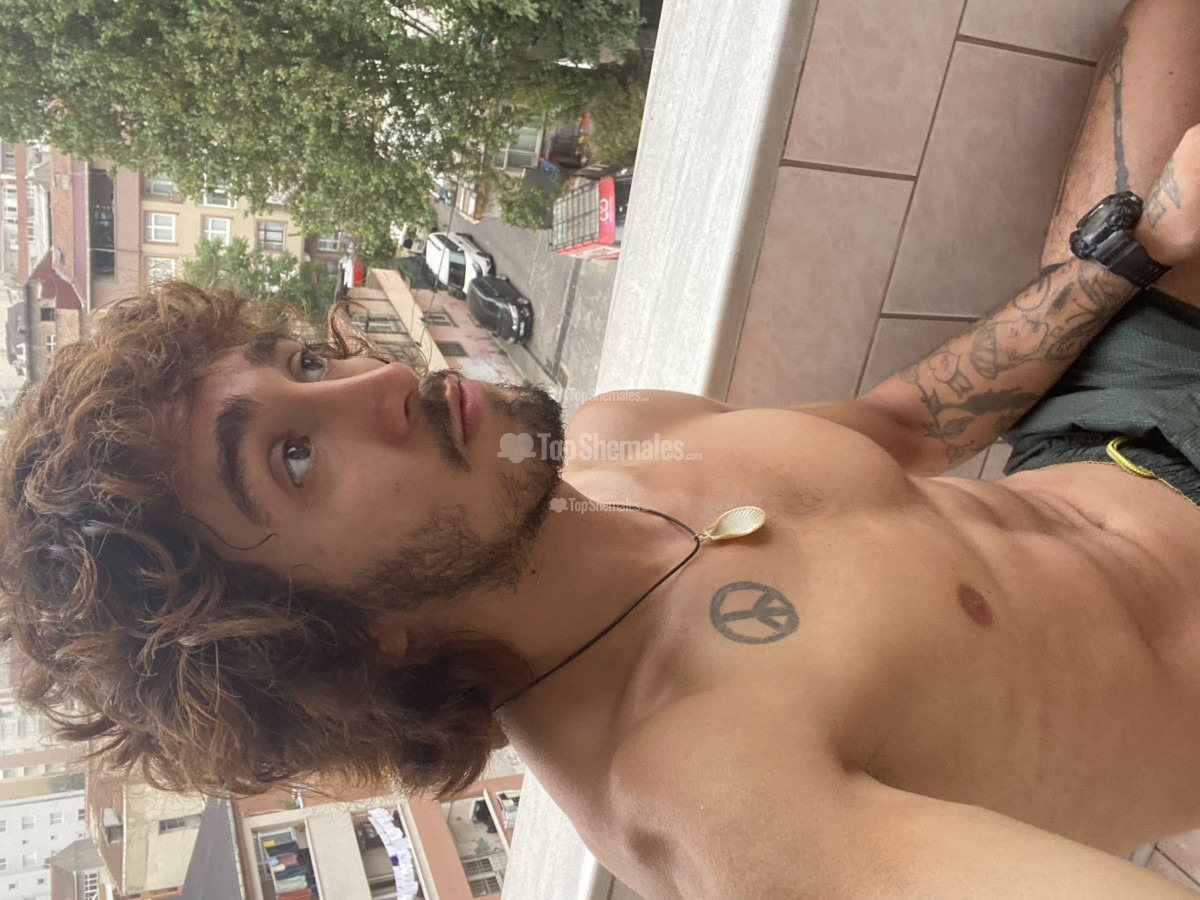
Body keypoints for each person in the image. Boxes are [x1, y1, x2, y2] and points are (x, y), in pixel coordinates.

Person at [4, 1, 1200, 896]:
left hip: (1111, 433)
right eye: (294, 459)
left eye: (305, 364)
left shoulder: (630, 438)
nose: (383, 380)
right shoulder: (711, 795)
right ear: (331, 640)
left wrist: (1127, 256)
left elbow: (902, 426)